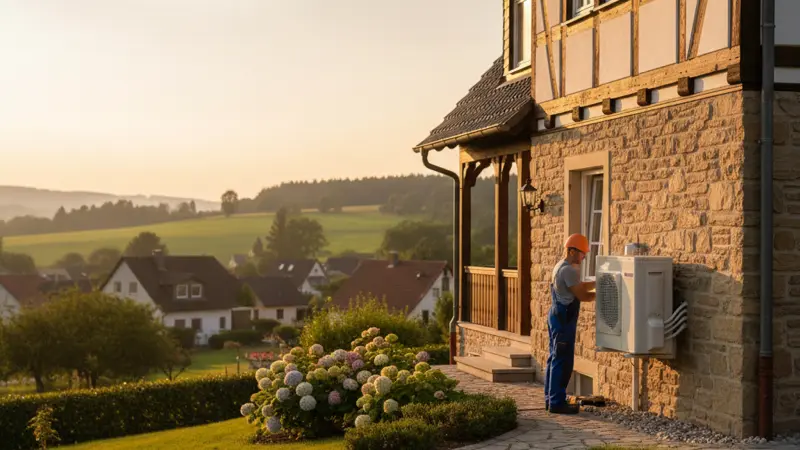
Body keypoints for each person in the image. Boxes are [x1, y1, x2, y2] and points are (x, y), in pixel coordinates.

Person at [544, 233, 596, 414]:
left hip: (556, 316)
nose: (583, 257)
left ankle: (550, 399)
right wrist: (603, 292)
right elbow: (582, 295)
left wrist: (598, 282)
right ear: (572, 251)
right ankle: (557, 402)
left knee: (554, 358)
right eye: (582, 253)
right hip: (564, 319)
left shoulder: (561, 267)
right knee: (562, 360)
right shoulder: (567, 270)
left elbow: (579, 286)